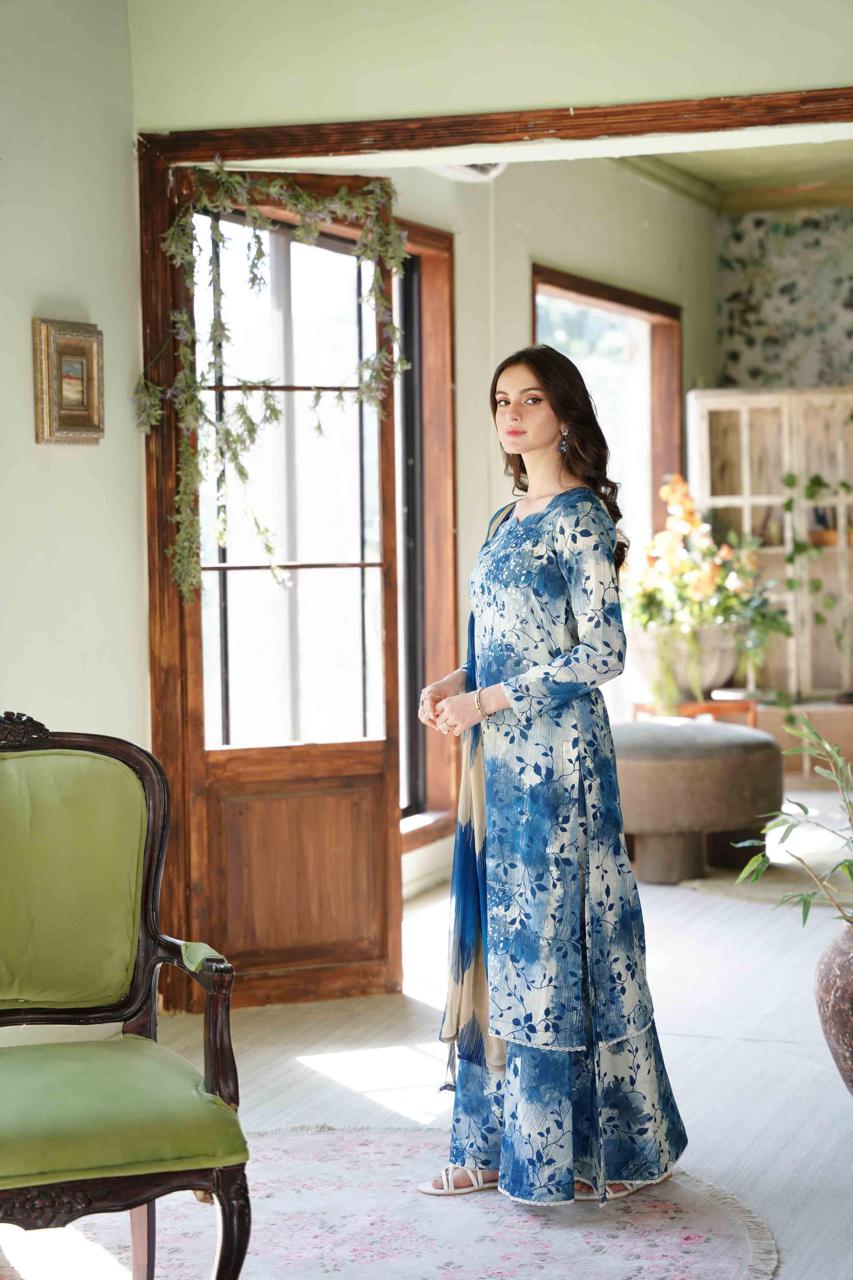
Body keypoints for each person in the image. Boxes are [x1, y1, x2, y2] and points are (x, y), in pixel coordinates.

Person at [416, 344, 688, 1205]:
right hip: (495, 761)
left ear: (564, 413)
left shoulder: (579, 520)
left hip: (559, 769)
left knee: (554, 944)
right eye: (501, 399)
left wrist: (487, 700)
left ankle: (585, 1151)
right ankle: (494, 1145)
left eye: (530, 399)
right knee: (502, 943)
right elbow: (500, 645)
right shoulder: (505, 519)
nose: (511, 413)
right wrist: (453, 686)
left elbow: (601, 653)